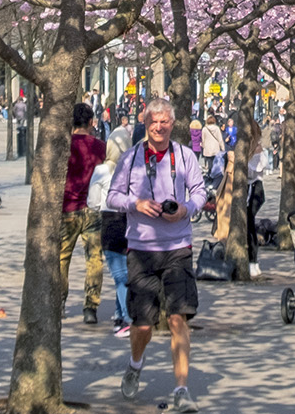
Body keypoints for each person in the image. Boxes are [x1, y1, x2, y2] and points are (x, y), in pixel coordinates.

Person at [107, 96, 209, 412]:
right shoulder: (131, 157)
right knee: (143, 325)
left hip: (178, 247)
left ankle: (181, 390)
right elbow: (111, 196)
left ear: (172, 124)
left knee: (178, 318)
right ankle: (135, 365)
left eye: (165, 121)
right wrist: (134, 204)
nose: (159, 127)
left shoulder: (186, 156)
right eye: (154, 121)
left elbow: (201, 192)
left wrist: (187, 209)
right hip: (141, 248)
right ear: (146, 123)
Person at [62, 103, 109, 321]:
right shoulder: (100, 147)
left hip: (67, 207)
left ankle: (59, 300)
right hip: (92, 208)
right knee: (94, 259)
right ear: (91, 122)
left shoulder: (64, 146)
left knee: (62, 258)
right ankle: (91, 306)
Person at [95, 130, 134, 336]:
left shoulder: (101, 171)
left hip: (109, 223)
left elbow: (92, 201)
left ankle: (126, 319)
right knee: (124, 273)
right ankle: (120, 315)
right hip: (130, 222)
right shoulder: (134, 170)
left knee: (120, 276)